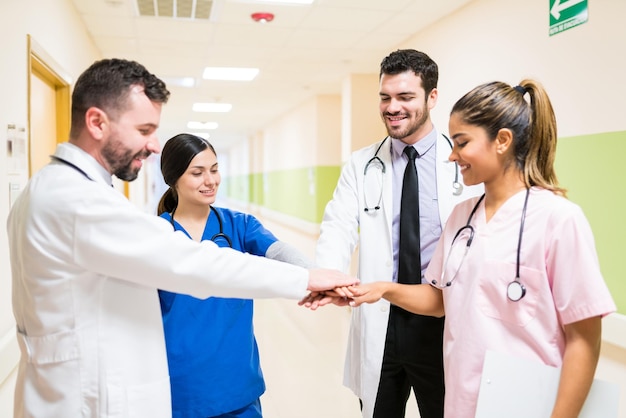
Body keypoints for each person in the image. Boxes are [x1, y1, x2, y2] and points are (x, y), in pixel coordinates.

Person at [6, 58, 357, 418]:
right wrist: (307, 278)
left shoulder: (58, 191)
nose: (154, 145)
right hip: (84, 400)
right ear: (97, 122)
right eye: (144, 130)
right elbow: (193, 261)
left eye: (215, 170)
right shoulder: (75, 201)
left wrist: (308, 272)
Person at [346, 79, 617, 417]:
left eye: (462, 142)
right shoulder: (462, 217)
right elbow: (439, 300)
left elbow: (584, 339)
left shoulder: (558, 219)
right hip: (463, 400)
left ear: (502, 140)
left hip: (528, 403)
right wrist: (383, 288)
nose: (451, 154)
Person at [313, 49, 482, 418]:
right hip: (382, 318)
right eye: (385, 97)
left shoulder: (462, 163)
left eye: (405, 97)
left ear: (431, 97)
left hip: (441, 320)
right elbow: (339, 224)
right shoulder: (362, 164)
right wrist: (327, 273)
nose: (393, 107)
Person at [157, 133, 315, 418]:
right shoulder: (155, 234)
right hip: (179, 387)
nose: (210, 180)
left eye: (215, 169)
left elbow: (279, 252)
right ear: (173, 178)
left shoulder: (238, 225)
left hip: (237, 384)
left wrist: (316, 275)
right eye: (198, 173)